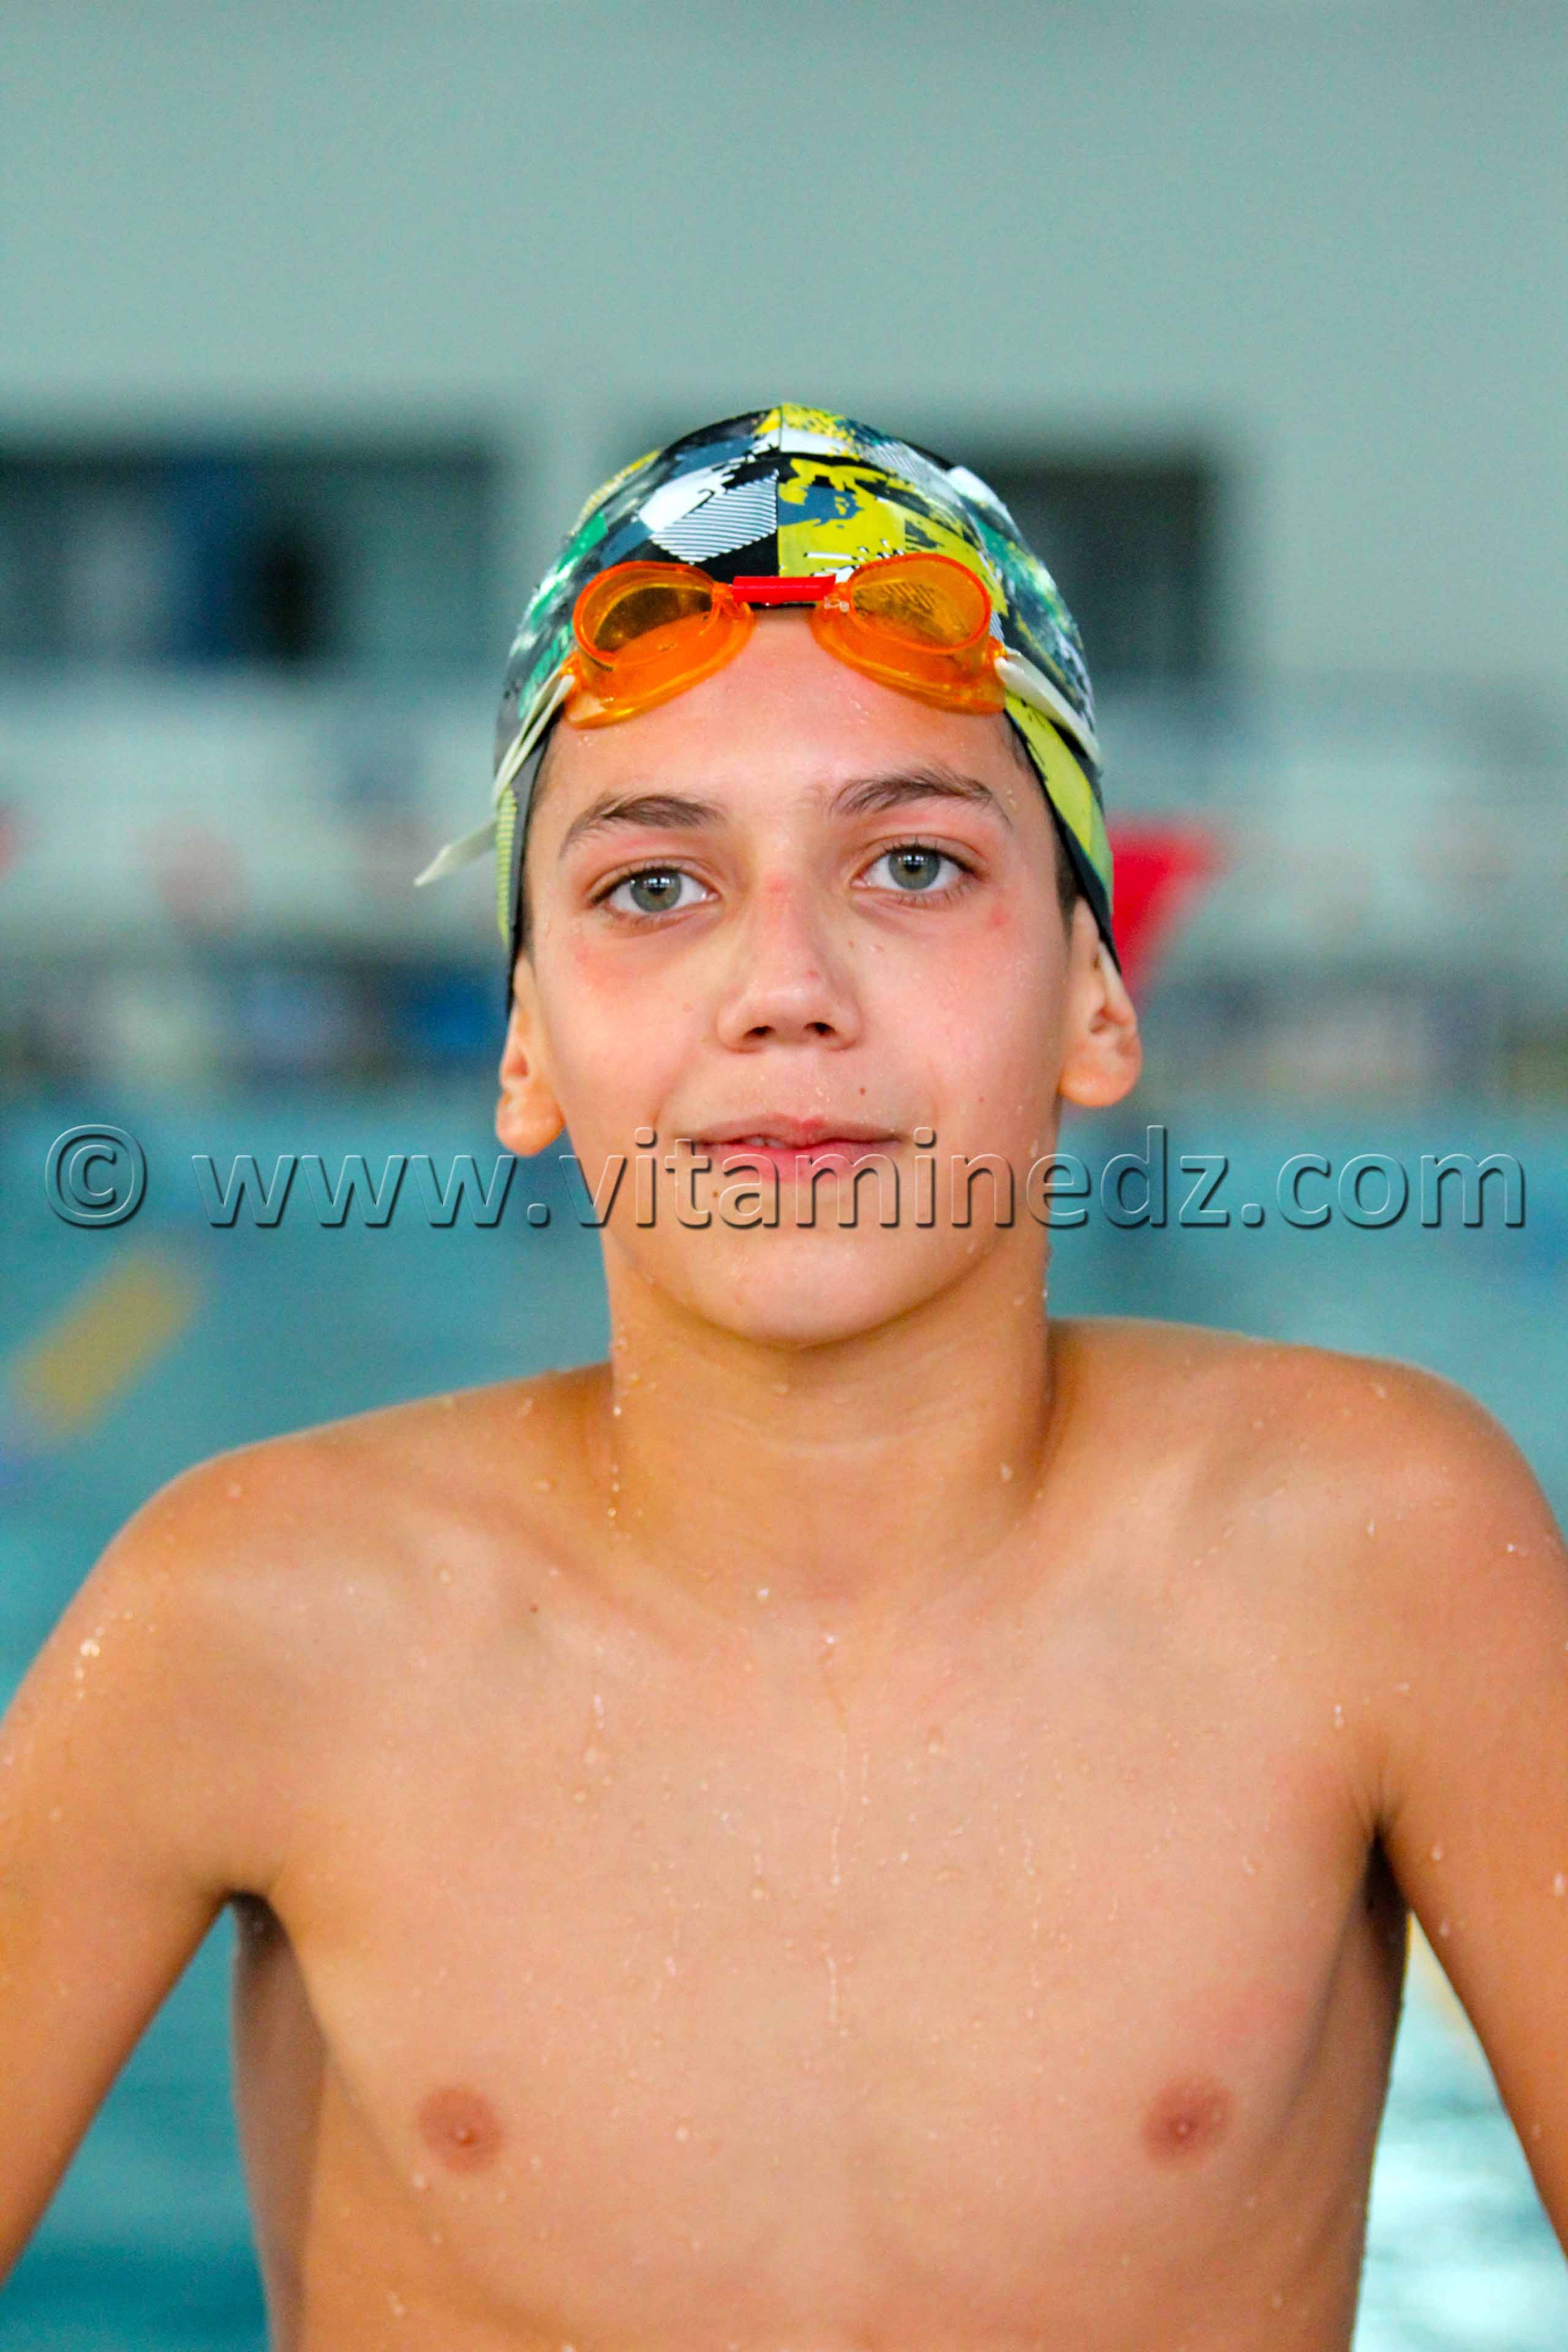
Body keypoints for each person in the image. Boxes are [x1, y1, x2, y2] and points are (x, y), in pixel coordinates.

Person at [3, 404, 1566, 2351]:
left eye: (911, 862)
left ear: (1097, 998)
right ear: (525, 1044)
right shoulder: (261, 1617)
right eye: (655, 888)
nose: (787, 988)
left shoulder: (1369, 1554)